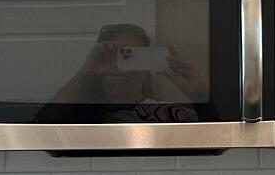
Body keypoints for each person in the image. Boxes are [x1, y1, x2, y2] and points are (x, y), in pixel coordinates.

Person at [37, 22, 205, 123]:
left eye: (132, 56)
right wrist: (85, 73)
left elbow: (212, 141)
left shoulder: (167, 114)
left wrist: (199, 97)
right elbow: (41, 129)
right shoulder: (76, 113)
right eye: (114, 55)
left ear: (148, 64)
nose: (120, 68)